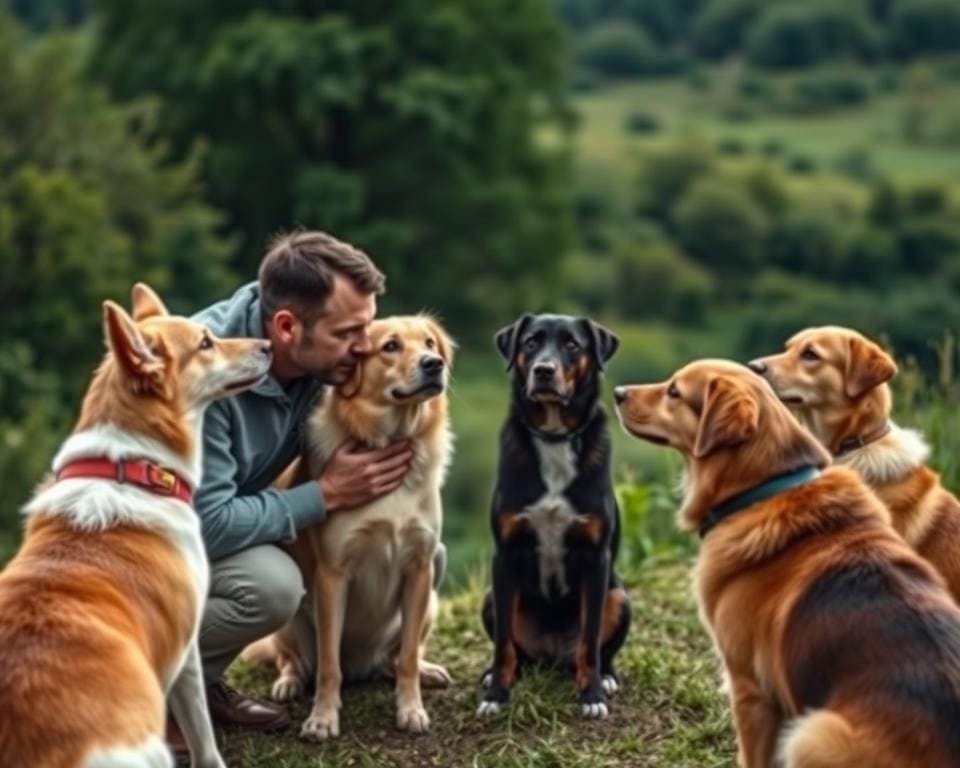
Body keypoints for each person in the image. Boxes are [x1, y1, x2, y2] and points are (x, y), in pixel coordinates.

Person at [168, 231, 443, 748]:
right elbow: (207, 525)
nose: (364, 346)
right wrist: (324, 495)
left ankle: (204, 677)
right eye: (350, 333)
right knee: (273, 586)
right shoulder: (208, 372)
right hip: (154, 546)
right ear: (288, 328)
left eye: (367, 326)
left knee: (429, 553)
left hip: (224, 522)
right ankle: (160, 695)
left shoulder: (320, 359)